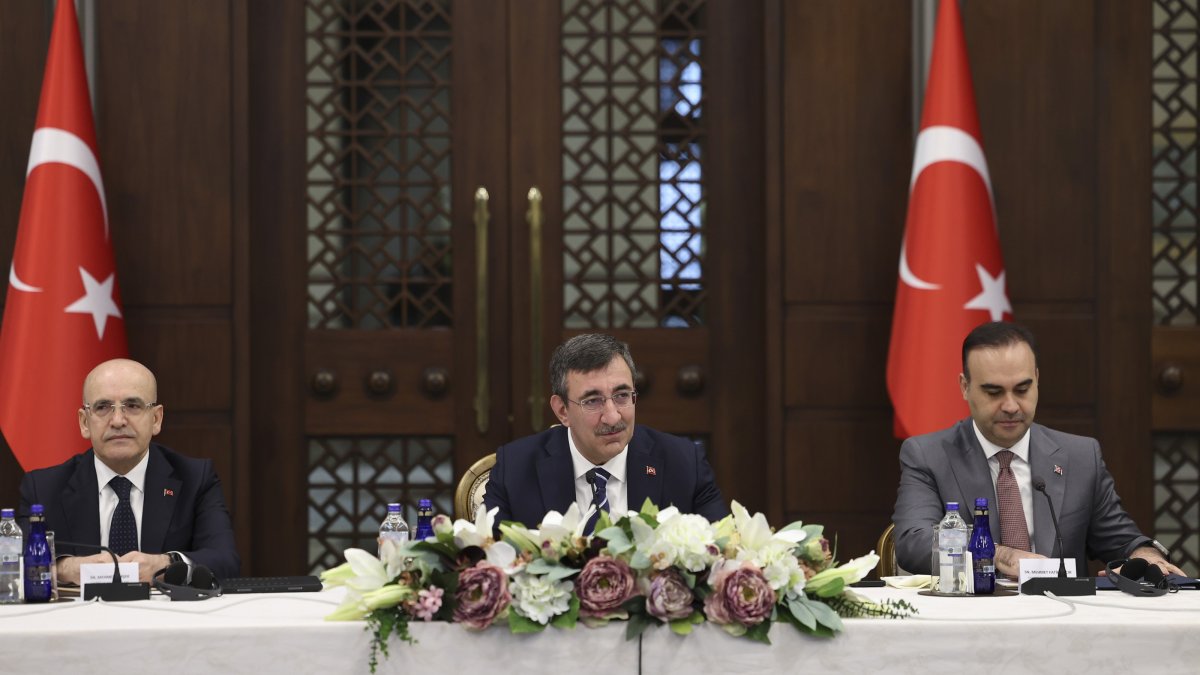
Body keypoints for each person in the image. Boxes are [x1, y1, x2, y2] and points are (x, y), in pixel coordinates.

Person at [892, 322, 1183, 579]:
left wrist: (1144, 555)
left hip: (1063, 625)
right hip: (970, 622)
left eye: (1022, 389)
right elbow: (914, 544)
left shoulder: (1080, 456)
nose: (1010, 406)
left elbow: (1121, 540)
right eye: (994, 392)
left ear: (1038, 380)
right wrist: (1001, 555)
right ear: (965, 387)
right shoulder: (928, 455)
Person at [19, 358, 240, 584]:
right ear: (84, 422)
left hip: (167, 618)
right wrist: (65, 568)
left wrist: (166, 564)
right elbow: (14, 564)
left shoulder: (195, 479)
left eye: (133, 406)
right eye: (103, 407)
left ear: (156, 419)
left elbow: (225, 561)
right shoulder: (44, 488)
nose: (117, 421)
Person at [484, 333, 728, 530]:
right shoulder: (515, 469)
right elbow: (488, 566)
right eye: (592, 401)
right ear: (562, 411)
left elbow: (721, 557)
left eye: (622, 396)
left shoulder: (684, 464)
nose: (613, 417)